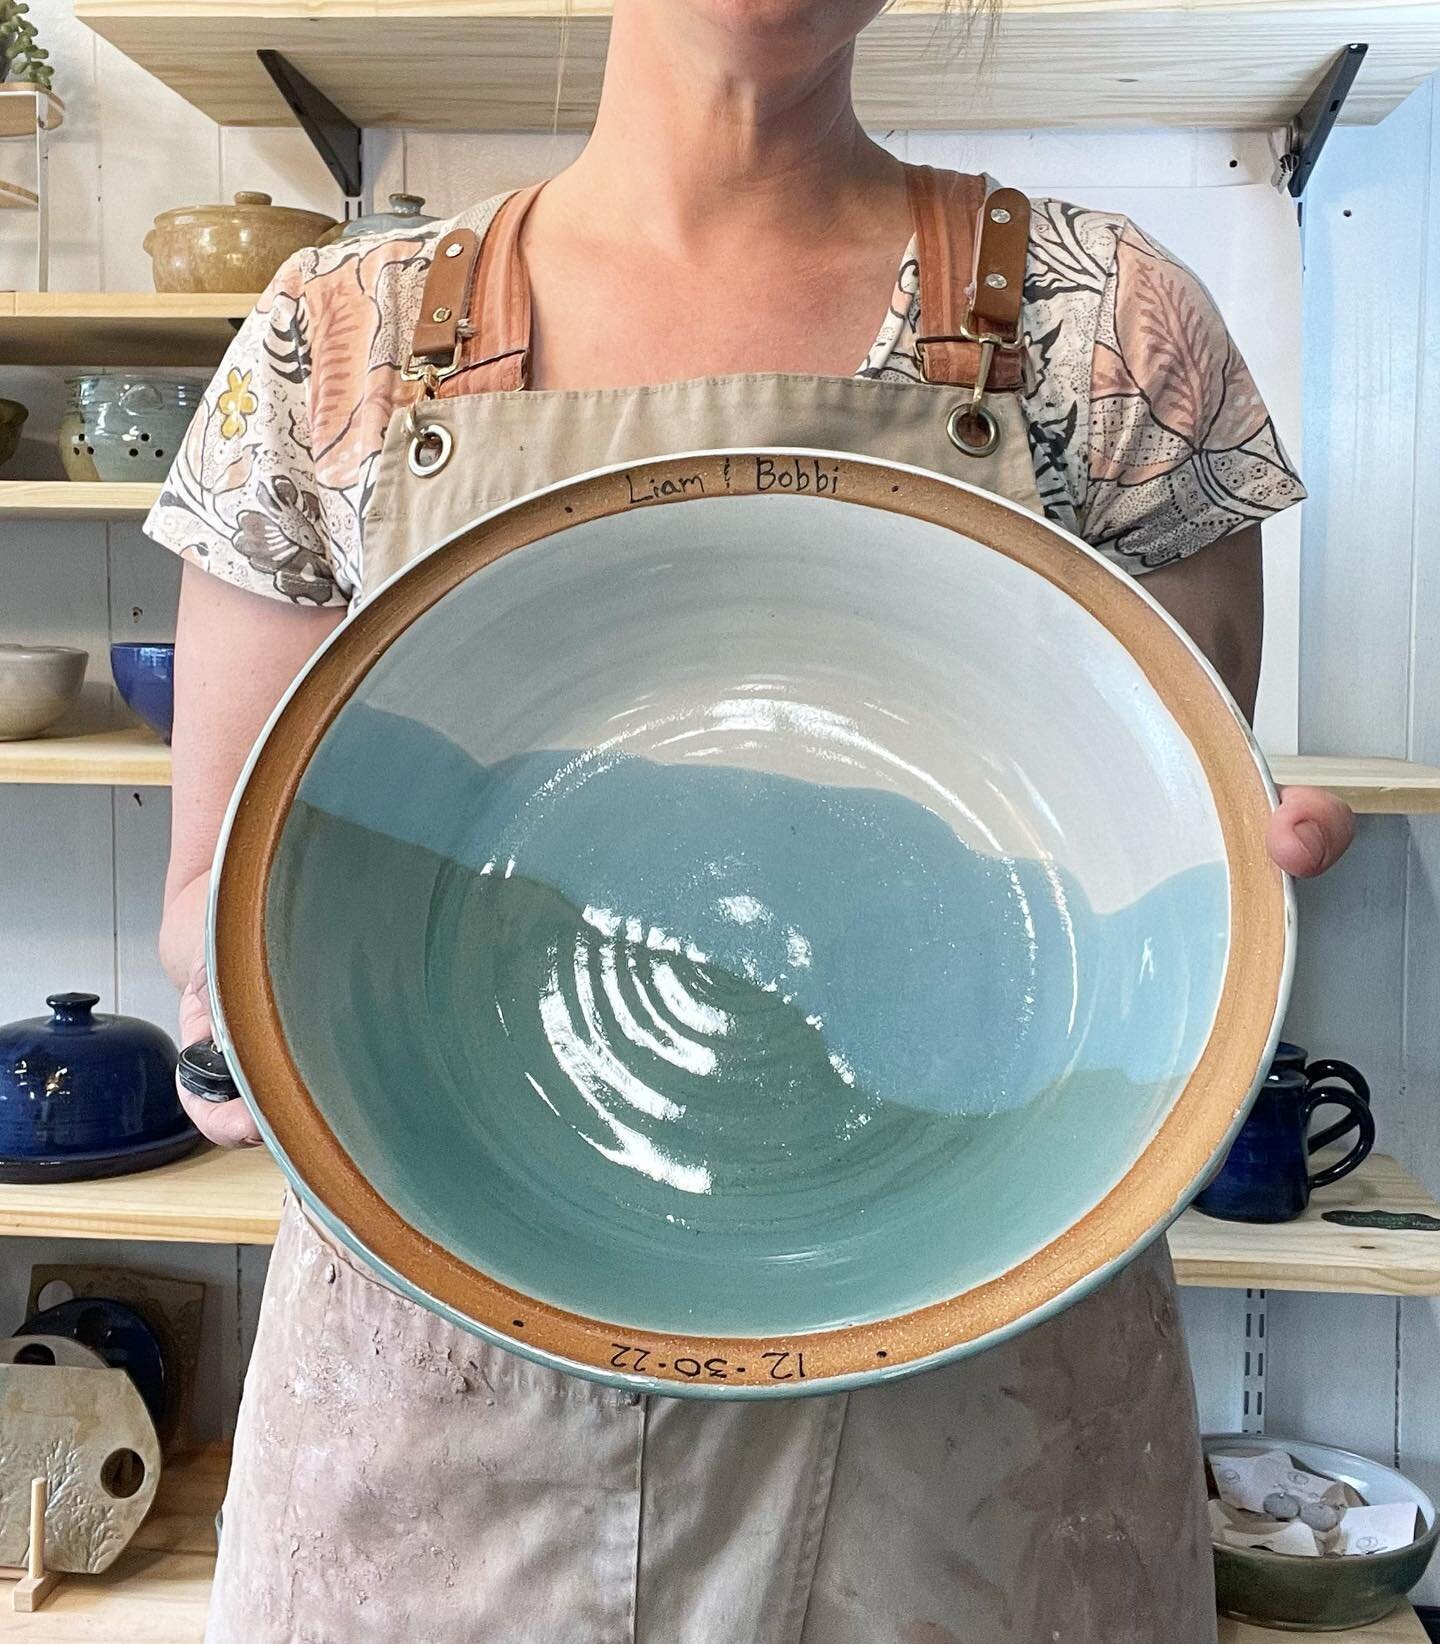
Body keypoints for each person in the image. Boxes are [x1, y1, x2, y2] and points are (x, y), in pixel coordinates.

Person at [147, 1, 1356, 1638]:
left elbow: (1161, 860)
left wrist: (1217, 907)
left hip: (973, 1425)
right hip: (447, 1427)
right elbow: (218, 916)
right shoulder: (336, 332)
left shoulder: (1111, 326)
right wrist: (240, 1026)